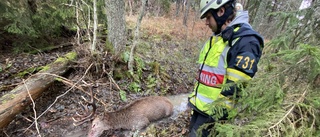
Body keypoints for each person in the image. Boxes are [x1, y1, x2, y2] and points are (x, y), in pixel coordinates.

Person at [188, 0, 264, 137]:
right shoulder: (219, 37)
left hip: (213, 116)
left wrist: (215, 120)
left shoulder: (245, 41)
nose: (206, 22)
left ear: (221, 11)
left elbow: (235, 87)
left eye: (208, 17)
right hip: (200, 108)